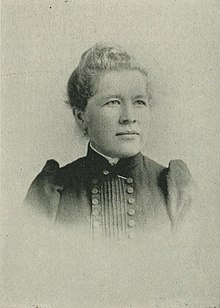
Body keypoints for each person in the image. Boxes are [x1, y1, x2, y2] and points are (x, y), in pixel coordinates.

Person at [24, 42, 194, 240]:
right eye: (113, 102)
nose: (129, 117)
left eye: (139, 102)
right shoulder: (51, 192)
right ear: (81, 117)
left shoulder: (174, 188)